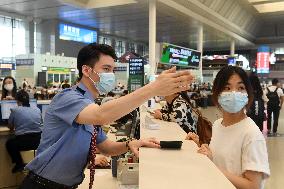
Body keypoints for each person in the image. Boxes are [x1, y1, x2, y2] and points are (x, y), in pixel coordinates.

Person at [19, 43, 192, 189]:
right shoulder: (68, 97)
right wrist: (152, 89)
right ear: (86, 70)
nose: (111, 75)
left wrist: (130, 143)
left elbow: (106, 147)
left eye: (113, 70)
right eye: (106, 69)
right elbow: (101, 116)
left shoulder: (90, 104)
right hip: (42, 184)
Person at [187, 66, 270, 189]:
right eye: (227, 88)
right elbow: (224, 161)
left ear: (247, 94)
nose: (234, 93)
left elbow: (254, 186)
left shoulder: (251, 134)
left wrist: (212, 165)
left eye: (241, 88)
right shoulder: (218, 125)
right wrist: (201, 146)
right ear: (217, 92)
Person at [6, 90, 42, 173]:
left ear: (17, 101)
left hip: (24, 143)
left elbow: (10, 127)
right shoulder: (37, 110)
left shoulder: (15, 110)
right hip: (38, 141)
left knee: (10, 143)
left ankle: (19, 164)